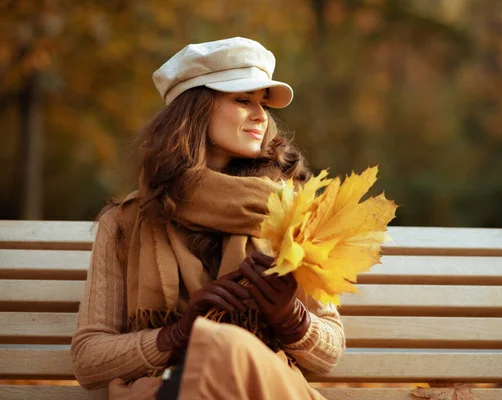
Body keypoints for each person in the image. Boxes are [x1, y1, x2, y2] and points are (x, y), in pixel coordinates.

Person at [70, 37, 345, 399]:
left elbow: (330, 352)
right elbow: (88, 359)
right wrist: (178, 334)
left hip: (267, 388)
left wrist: (288, 315)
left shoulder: (294, 212)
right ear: (194, 110)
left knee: (222, 348)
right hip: (182, 389)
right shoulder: (127, 223)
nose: (261, 115)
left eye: (263, 102)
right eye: (243, 100)